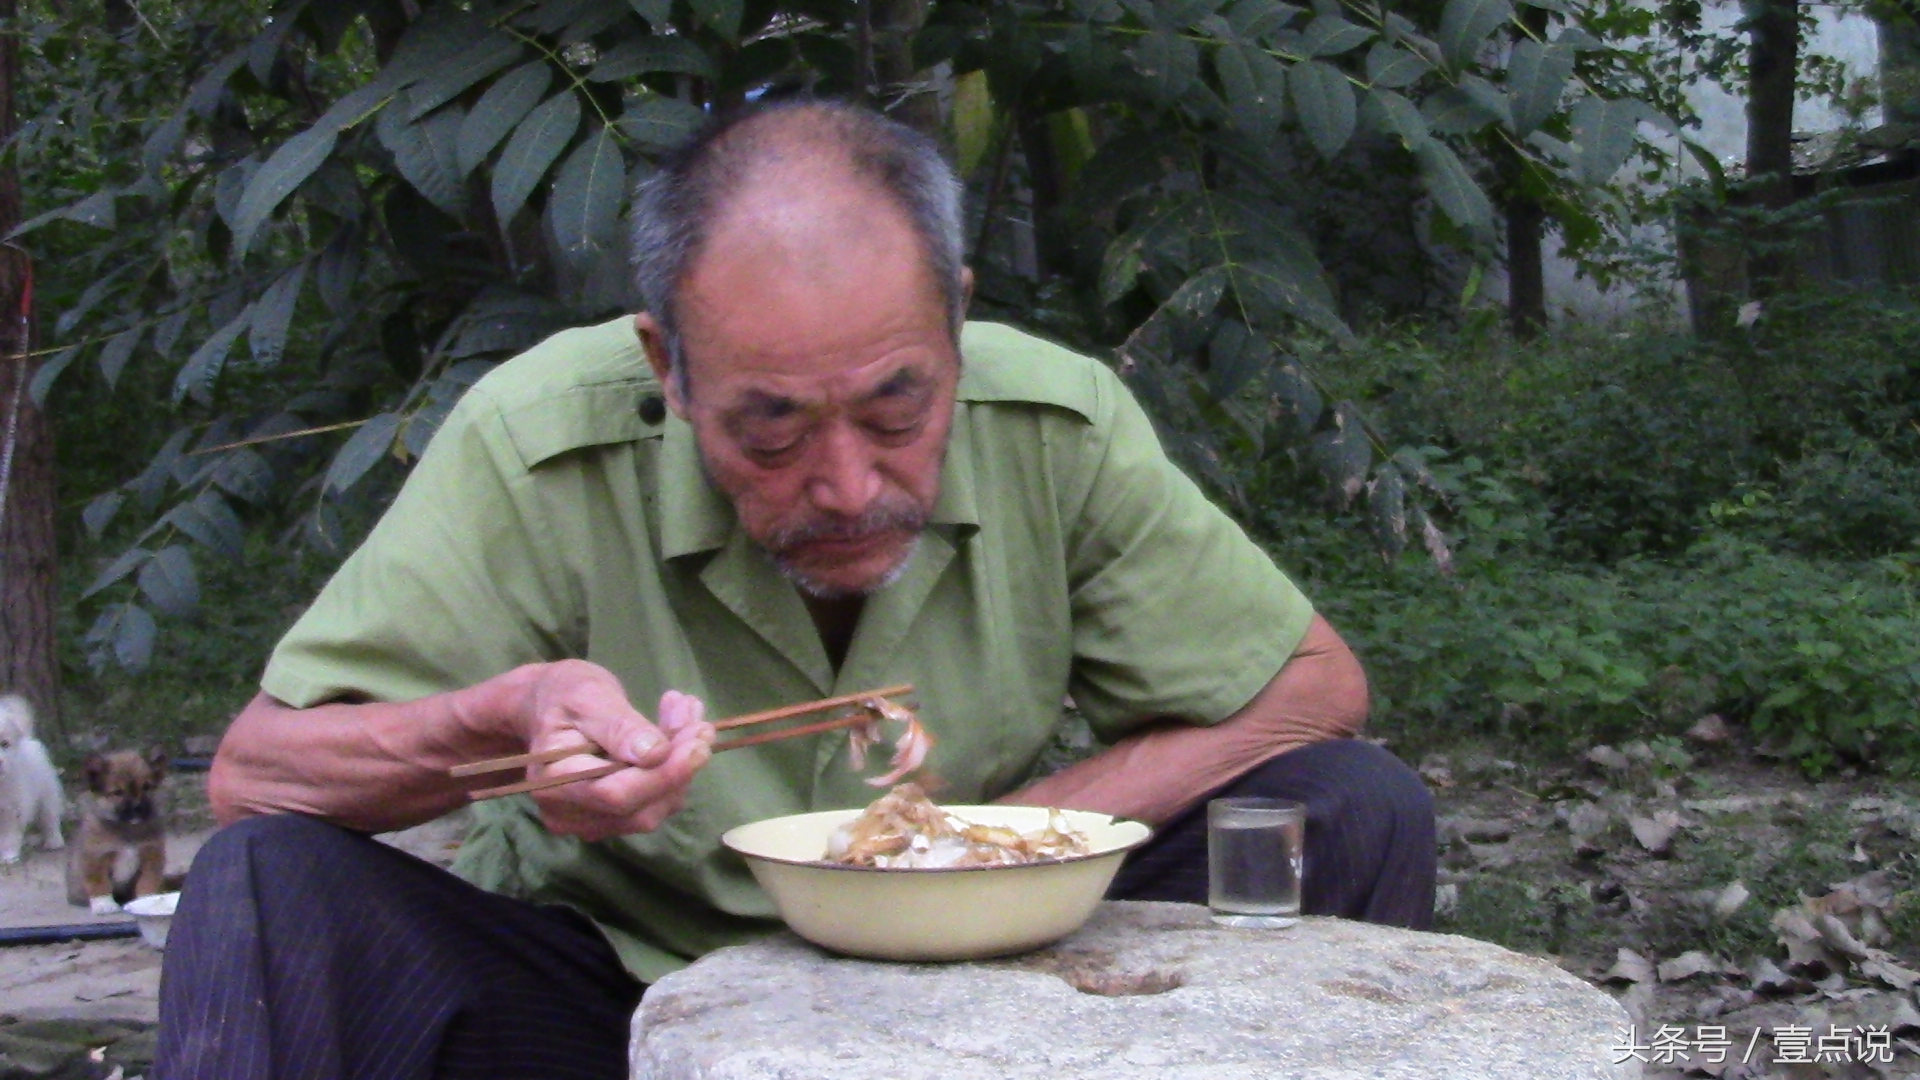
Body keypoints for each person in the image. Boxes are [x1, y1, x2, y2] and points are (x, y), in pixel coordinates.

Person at [156, 98, 1435, 1080]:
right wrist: (501, 720)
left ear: (955, 321)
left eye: (899, 407)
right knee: (270, 891)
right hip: (618, 1004)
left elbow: (1312, 690)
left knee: (1351, 810)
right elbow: (256, 780)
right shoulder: (537, 440)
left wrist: (996, 843)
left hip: (993, 987)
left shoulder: (1055, 424)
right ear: (669, 366)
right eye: (768, 432)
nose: (844, 485)